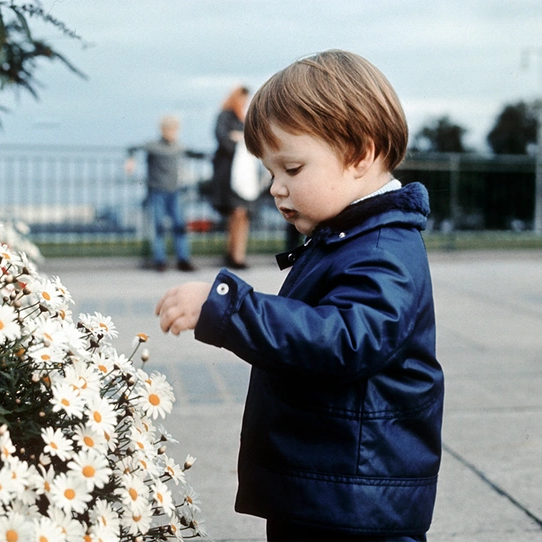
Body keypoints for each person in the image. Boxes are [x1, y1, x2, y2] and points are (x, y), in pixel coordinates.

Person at [155, 50, 443, 541]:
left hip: (355, 506)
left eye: (291, 168)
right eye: (271, 173)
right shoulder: (351, 235)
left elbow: (344, 341)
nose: (276, 189)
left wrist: (228, 308)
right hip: (332, 490)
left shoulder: (382, 248)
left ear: (359, 154)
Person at [126, 115, 206, 272]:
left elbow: (192, 153)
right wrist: (130, 161)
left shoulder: (178, 146)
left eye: (174, 130)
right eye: (168, 129)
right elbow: (132, 148)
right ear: (162, 130)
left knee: (180, 226)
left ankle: (183, 259)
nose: (171, 133)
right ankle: (160, 260)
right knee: (159, 227)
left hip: (175, 192)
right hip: (157, 192)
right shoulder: (153, 146)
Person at [211, 86, 253, 269]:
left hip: (242, 175)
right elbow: (223, 139)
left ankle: (237, 254)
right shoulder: (226, 115)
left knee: (241, 214)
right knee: (237, 213)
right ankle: (235, 255)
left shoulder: (241, 117)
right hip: (229, 174)